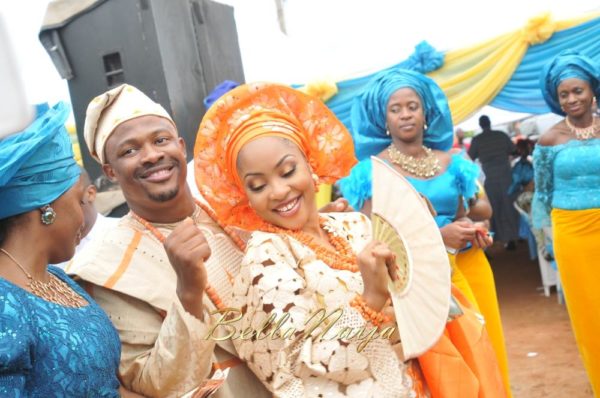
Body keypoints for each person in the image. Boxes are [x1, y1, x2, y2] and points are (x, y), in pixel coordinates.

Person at [195, 82, 507, 398]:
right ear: (245, 197)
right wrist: (371, 299)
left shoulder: (354, 225)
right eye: (258, 186)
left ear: (309, 165)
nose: (278, 191)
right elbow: (303, 365)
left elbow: (416, 305)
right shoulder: (266, 258)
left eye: (287, 171)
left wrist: (421, 243)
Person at [67, 83, 349, 397]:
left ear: (181, 145)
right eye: (129, 151)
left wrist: (313, 231)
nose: (151, 155)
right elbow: (155, 385)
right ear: (110, 171)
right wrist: (188, 293)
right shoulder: (106, 271)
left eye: (160, 140)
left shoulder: (242, 210)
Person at [338, 69, 511, 397]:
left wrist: (471, 229)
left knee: (486, 355)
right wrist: (438, 236)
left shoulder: (452, 161)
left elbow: (470, 213)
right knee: (447, 370)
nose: (405, 114)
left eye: (412, 106)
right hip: (415, 283)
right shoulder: (372, 172)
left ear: (426, 113)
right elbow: (371, 238)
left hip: (469, 268)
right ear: (383, 118)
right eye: (396, 108)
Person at [0, 102, 123, 396]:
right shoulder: (5, 306)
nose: (84, 214)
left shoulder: (61, 280)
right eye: (80, 200)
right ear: (46, 204)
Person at [533, 49, 600, 395]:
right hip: (572, 233)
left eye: (578, 91)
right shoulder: (549, 140)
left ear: (592, 90)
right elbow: (543, 193)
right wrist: (547, 239)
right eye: (564, 94)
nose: (572, 99)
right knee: (590, 310)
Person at [468, 115, 519, 250]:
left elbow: (470, 157)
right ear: (490, 123)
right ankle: (513, 236)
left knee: (494, 209)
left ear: (480, 125)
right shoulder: (501, 135)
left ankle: (500, 238)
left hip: (490, 179)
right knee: (509, 207)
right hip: (506, 176)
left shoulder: (477, 140)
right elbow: (514, 150)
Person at [55, 166, 119, 269]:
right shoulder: (49, 257)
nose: (57, 207)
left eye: (63, 195)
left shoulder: (127, 233)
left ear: (90, 193)